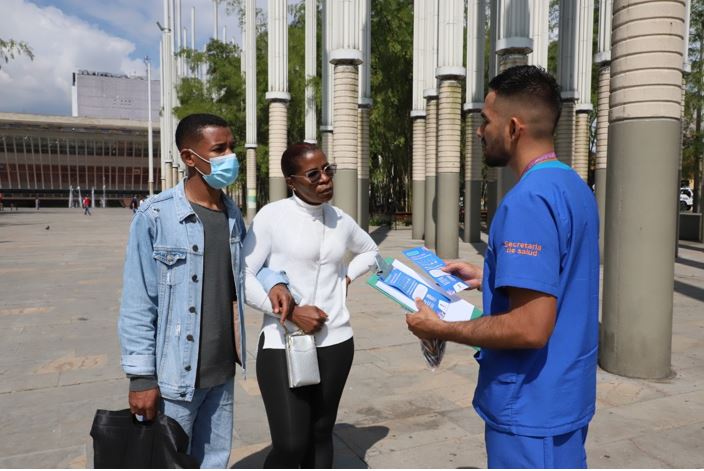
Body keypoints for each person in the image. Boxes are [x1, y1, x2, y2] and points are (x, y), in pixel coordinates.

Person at [406, 66, 599, 469]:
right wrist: (490, 277)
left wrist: (439, 329)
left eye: (485, 121)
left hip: (530, 411)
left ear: (513, 127)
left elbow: (529, 327)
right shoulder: (572, 186)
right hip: (563, 398)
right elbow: (560, 276)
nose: (479, 132)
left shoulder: (528, 200)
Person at [118, 113, 294, 468]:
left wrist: (276, 280)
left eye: (231, 146)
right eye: (219, 149)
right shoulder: (156, 216)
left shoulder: (231, 213)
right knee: (169, 463)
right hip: (175, 379)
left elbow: (248, 265)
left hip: (222, 372)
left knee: (214, 462)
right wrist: (140, 378)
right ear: (189, 157)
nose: (231, 155)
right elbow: (139, 303)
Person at [243, 143, 378, 468]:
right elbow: (243, 273)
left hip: (336, 342)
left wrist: (346, 278)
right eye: (313, 174)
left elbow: (371, 251)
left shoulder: (340, 220)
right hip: (282, 342)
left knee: (320, 433)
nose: (325, 179)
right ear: (292, 181)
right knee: (291, 443)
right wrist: (289, 313)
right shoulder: (272, 216)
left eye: (327, 170)